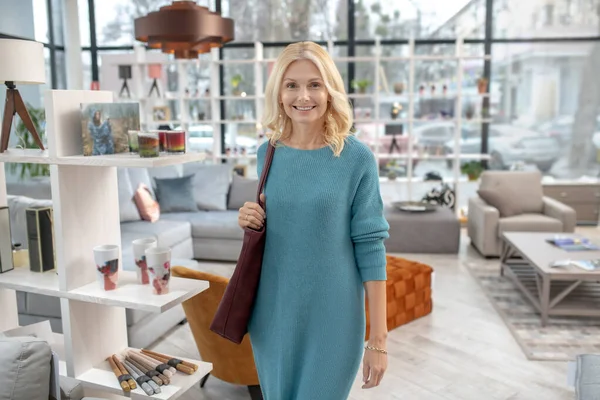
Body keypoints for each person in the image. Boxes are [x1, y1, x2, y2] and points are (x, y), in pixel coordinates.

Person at [239, 41, 390, 400]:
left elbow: (371, 247)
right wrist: (250, 218)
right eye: (291, 84)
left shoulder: (356, 158)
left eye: (314, 84)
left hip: (333, 318)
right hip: (272, 314)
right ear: (278, 93)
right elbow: (280, 224)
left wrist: (379, 339)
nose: (302, 95)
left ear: (329, 91)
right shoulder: (267, 152)